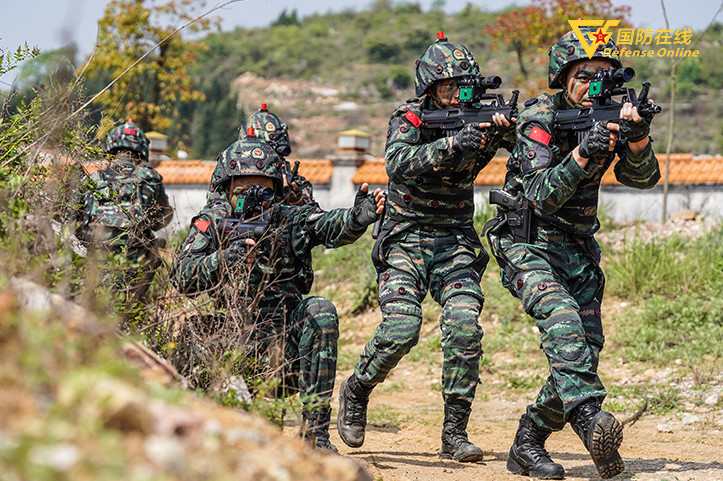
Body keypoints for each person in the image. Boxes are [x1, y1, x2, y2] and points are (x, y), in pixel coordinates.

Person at [485, 29, 660, 480]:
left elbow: (644, 179)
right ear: (562, 77)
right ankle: (588, 418)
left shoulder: (612, 113)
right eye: (584, 76)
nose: (593, 86)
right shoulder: (539, 116)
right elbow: (541, 195)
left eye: (604, 76)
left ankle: (528, 441)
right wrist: (584, 152)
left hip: (577, 248)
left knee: (586, 349)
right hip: (526, 242)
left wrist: (636, 137)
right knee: (562, 320)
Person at [337, 32, 515, 462]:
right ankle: (357, 389)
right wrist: (454, 143)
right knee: (401, 328)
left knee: (464, 327)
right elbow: (396, 163)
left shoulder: (482, 117)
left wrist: (510, 132)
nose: (457, 95)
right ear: (429, 88)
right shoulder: (410, 118)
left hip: (455, 240)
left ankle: (454, 433)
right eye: (448, 86)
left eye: (464, 86)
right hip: (405, 238)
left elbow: (533, 144)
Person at [171, 134, 384, 452]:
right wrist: (224, 260)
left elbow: (325, 224)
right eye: (244, 188)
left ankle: (316, 436)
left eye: (264, 188)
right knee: (191, 334)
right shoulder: (212, 223)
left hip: (285, 349)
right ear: (228, 188)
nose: (255, 196)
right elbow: (181, 276)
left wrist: (356, 218)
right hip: (234, 341)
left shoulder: (289, 219)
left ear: (277, 188)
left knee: (320, 310)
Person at [76, 118, 173, 305]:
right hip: (134, 259)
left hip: (95, 256)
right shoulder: (150, 177)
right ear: (141, 149)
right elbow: (161, 220)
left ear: (111, 147)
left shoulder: (93, 179)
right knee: (130, 308)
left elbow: (76, 217)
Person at [238, 103, 316, 206]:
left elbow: (312, 216)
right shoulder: (233, 175)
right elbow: (216, 210)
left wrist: (295, 200)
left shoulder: (294, 181)